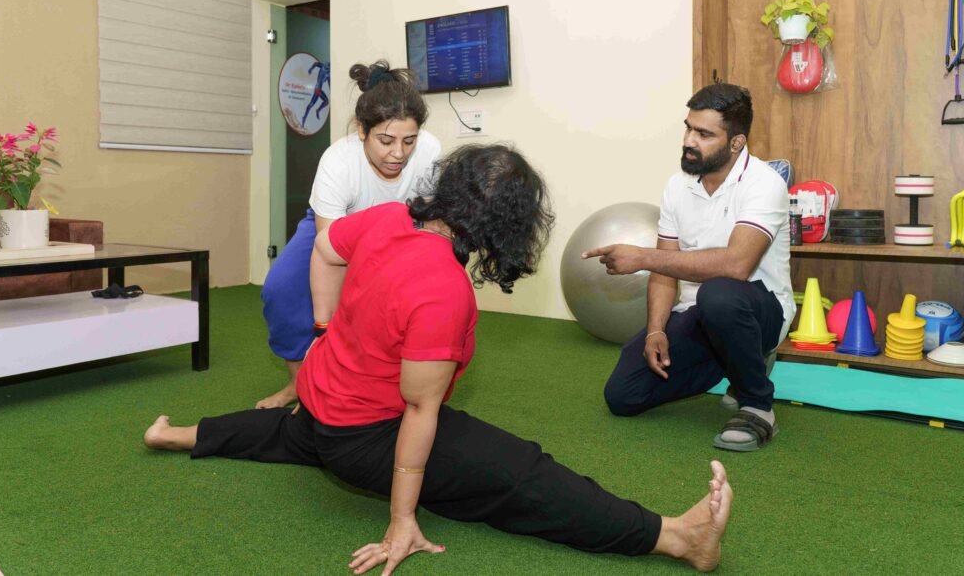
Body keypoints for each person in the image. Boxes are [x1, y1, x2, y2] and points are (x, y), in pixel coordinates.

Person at [145, 144, 734, 574]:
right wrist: (402, 518)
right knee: (521, 473)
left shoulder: (388, 216)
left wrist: (321, 334)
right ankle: (677, 539)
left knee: (284, 429)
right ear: (508, 225)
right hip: (362, 437)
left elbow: (323, 252)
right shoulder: (442, 291)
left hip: (321, 401)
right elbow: (419, 413)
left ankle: (175, 435)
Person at [584, 83, 795, 452]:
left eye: (704, 134)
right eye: (688, 128)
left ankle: (758, 405)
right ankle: (736, 367)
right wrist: (654, 332)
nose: (689, 141)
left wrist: (642, 256)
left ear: (736, 143)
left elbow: (736, 266)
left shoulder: (765, 184)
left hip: (758, 310)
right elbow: (666, 271)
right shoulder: (677, 187)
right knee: (624, 395)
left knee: (719, 293)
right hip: (699, 313)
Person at [256, 60, 441, 409]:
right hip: (334, 228)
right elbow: (329, 250)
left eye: (409, 140)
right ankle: (300, 383)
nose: (398, 153)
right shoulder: (338, 161)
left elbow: (432, 223)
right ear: (361, 129)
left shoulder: (430, 150)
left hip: (400, 231)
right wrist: (325, 327)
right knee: (280, 290)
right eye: (385, 140)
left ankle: (376, 388)